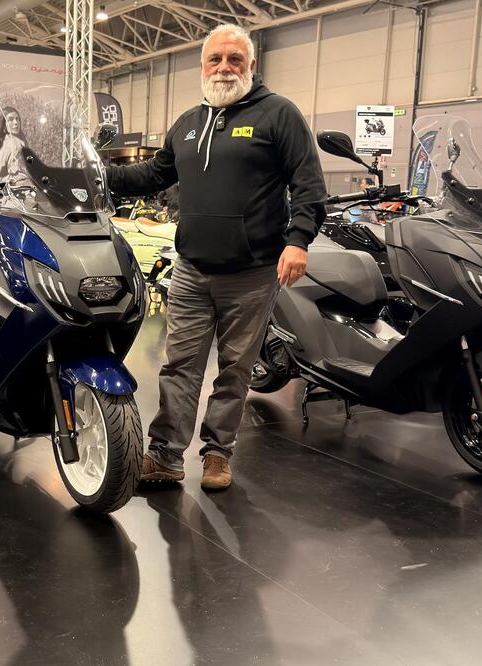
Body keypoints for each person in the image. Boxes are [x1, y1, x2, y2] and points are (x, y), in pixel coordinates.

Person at [106, 23, 326, 491]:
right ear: (202, 65)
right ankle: (165, 455)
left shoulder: (279, 114)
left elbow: (308, 183)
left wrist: (299, 239)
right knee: (179, 365)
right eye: (215, 59)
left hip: (252, 273)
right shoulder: (188, 122)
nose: (225, 67)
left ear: (251, 65)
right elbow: (154, 174)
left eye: (234, 59)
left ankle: (217, 454)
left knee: (234, 370)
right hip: (190, 268)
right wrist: (98, 175)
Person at [0, 106, 34, 188]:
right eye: (10, 119)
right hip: (16, 189)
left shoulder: (20, 142)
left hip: (27, 186)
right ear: (4, 124)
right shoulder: (8, 143)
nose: (16, 122)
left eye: (17, 119)